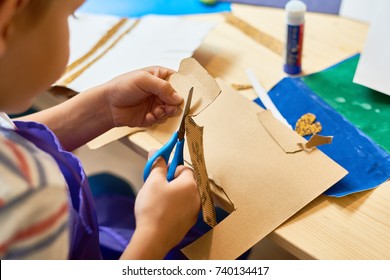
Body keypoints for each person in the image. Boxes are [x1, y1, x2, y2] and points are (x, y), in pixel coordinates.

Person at [0, 0, 201, 259]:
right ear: (6, 21)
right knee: (212, 226)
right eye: (71, 16)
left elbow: (8, 137)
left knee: (109, 185)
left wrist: (104, 109)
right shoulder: (28, 198)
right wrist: (154, 236)